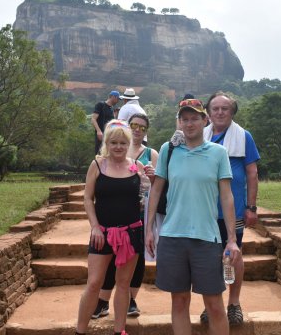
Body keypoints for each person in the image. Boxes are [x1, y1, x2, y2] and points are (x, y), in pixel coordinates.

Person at [146, 98, 240, 335]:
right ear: (179, 122)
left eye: (194, 118)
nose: (189, 124)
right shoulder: (169, 150)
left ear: (204, 120)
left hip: (206, 238)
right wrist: (148, 229)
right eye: (184, 119)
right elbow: (156, 189)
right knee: (179, 302)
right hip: (172, 236)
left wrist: (231, 239)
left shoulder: (218, 153)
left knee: (215, 305)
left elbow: (227, 197)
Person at [75, 119, 146, 335]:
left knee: (123, 284)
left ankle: (119, 330)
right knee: (94, 283)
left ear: (128, 144)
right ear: (107, 142)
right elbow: (88, 198)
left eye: (123, 143)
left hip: (131, 232)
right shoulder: (97, 165)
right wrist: (95, 227)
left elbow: (143, 200)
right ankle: (80, 330)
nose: (118, 147)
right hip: (102, 233)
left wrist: (147, 187)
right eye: (114, 143)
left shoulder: (137, 167)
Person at [199, 91, 261, 326]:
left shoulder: (243, 136)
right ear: (208, 112)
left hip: (232, 208)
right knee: (207, 257)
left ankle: (233, 303)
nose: (220, 112)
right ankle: (211, 304)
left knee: (233, 255)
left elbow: (252, 173)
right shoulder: (200, 135)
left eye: (225, 108)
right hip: (204, 209)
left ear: (232, 112)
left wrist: (251, 206)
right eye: (215, 108)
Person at [92, 113, 159, 319]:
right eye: (134, 125)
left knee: (135, 262)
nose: (138, 129)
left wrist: (152, 177)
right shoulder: (114, 149)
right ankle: (103, 301)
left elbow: (157, 186)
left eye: (142, 127)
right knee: (110, 259)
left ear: (146, 131)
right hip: (112, 213)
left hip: (139, 213)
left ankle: (131, 299)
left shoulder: (151, 153)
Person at [91, 90, 120, 154]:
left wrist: (116, 113)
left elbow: (110, 121)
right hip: (101, 135)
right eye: (117, 99)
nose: (118, 101)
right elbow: (93, 119)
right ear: (113, 97)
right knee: (99, 153)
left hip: (109, 136)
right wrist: (98, 131)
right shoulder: (101, 105)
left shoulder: (112, 108)